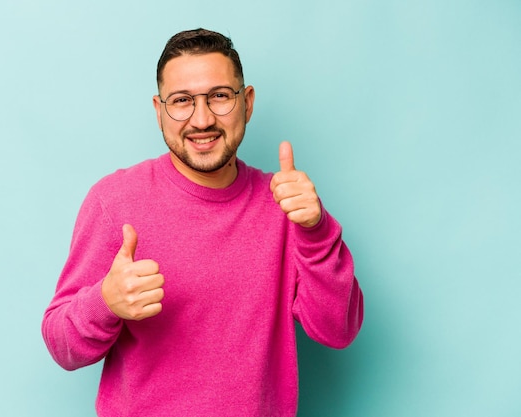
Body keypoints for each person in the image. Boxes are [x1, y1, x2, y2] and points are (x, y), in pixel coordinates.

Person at [42, 28, 364, 417]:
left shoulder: (286, 205)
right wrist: (105, 303)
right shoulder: (114, 201)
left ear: (247, 102)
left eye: (219, 97)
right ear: (159, 110)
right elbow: (62, 345)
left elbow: (338, 331)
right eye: (182, 101)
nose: (202, 118)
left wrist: (316, 231)